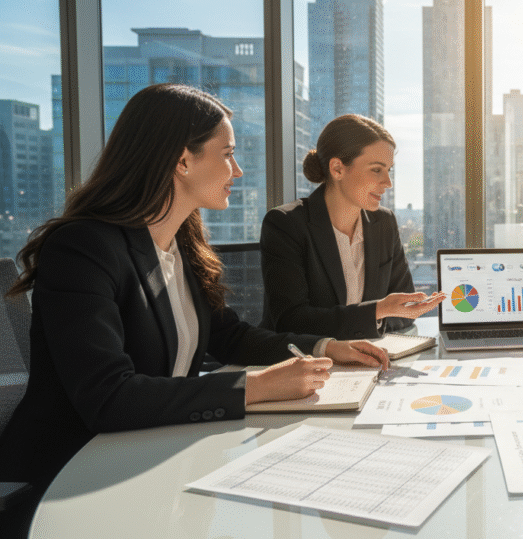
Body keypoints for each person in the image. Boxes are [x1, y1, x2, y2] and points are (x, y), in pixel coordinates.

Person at [0, 84, 390, 537]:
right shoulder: (84, 248)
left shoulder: (180, 243)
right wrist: (253, 386)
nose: (238, 170)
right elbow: (109, 397)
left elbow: (230, 336)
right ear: (182, 161)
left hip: (155, 450)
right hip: (77, 477)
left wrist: (328, 346)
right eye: (227, 154)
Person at [260, 114, 442, 340]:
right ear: (337, 169)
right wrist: (378, 310)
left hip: (368, 362)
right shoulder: (285, 224)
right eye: (376, 169)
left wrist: (383, 316)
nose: (388, 182)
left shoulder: (384, 223)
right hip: (306, 364)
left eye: (389, 170)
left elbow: (403, 314)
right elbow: (291, 321)